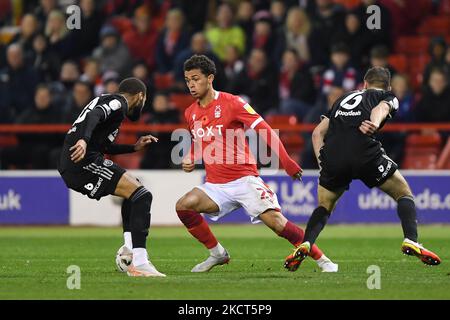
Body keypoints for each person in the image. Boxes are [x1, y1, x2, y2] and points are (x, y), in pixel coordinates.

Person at [176, 55, 338, 273]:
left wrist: (286, 161)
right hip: (216, 186)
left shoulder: (233, 103)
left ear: (210, 78)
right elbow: (199, 140)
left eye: (195, 79)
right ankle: (217, 254)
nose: (191, 85)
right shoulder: (190, 112)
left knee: (277, 224)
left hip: (244, 180)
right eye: (187, 80)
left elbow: (265, 130)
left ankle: (324, 261)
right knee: (184, 205)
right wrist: (190, 156)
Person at [284, 67, 441, 271]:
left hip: (333, 157)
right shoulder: (388, 96)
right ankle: (411, 239)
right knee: (403, 193)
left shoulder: (343, 98)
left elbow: (317, 134)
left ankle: (306, 243)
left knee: (324, 206)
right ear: (388, 86)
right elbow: (381, 109)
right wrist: (374, 124)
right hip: (364, 153)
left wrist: (324, 165)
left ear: (364, 84)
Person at [57, 78, 165, 277]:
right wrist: (83, 140)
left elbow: (105, 146)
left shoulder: (111, 106)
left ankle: (129, 250)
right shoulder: (118, 103)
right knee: (143, 195)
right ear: (140, 96)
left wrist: (133, 147)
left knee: (135, 193)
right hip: (82, 163)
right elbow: (94, 115)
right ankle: (140, 262)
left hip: (79, 161)